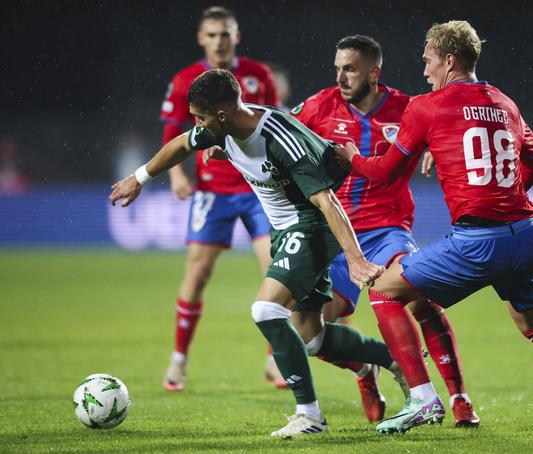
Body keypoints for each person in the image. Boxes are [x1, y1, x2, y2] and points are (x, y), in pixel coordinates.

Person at [335, 20, 533, 435]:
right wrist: (501, 192)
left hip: (476, 241)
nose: (424, 70)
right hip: (524, 237)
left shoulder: (427, 107)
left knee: (382, 290)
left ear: (449, 59)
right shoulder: (505, 102)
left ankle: (424, 400)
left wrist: (352, 157)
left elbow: (385, 171)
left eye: (428, 60)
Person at [110, 68, 410, 438]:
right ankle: (394, 360)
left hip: (311, 225)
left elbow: (327, 201)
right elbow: (182, 145)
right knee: (312, 337)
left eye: (200, 117)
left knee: (266, 310)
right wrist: (137, 179)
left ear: (222, 115)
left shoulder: (279, 138)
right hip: (285, 231)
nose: (196, 124)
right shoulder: (225, 126)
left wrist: (355, 259)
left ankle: (310, 415)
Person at [292, 34, 478, 426]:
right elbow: (278, 132)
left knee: (419, 299)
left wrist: (434, 146)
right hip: (335, 234)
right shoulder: (317, 106)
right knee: (310, 335)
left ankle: (459, 398)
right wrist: (227, 143)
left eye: (350, 69)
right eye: (338, 68)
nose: (341, 77)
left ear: (374, 73)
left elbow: (446, 127)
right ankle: (366, 370)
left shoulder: (407, 107)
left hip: (386, 227)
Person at [158, 6, 280, 392]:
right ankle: (179, 359)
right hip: (213, 191)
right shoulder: (184, 81)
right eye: (212, 34)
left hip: (259, 188)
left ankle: (276, 358)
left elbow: (273, 122)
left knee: (276, 272)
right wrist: (177, 174)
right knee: (196, 274)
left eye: (225, 34)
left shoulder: (258, 75)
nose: (219, 41)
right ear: (201, 38)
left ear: (236, 36)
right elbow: (172, 133)